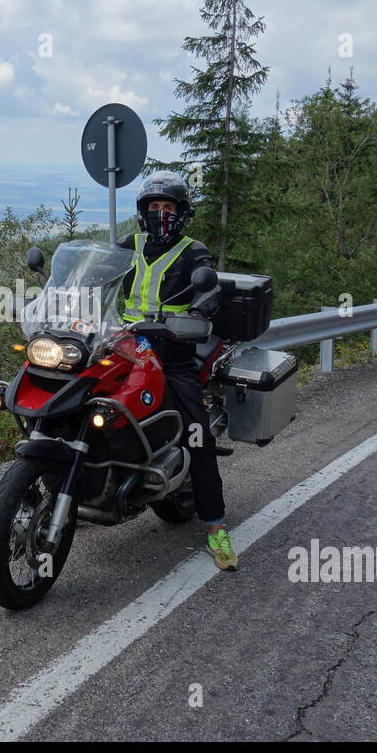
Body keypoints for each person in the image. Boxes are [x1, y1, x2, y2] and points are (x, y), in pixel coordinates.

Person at [117, 171, 238, 570]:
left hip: (172, 352)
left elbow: (210, 288)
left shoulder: (192, 251)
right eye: (155, 207)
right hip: (123, 347)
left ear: (182, 213)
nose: (161, 214)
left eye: (169, 208)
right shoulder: (128, 246)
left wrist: (199, 310)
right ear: (143, 212)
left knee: (197, 434)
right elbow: (97, 277)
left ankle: (216, 528)